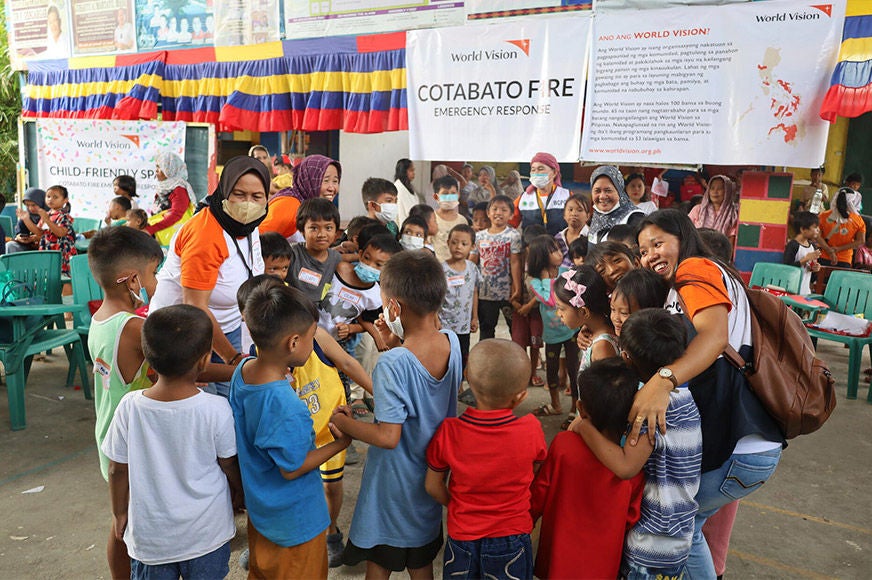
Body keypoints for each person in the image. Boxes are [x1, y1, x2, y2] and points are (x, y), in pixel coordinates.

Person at [632, 209, 783, 578]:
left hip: (743, 448)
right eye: (643, 250)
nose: (650, 255)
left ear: (683, 237)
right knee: (690, 522)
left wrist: (662, 380)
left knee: (686, 523)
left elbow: (714, 339)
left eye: (658, 243)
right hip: (751, 446)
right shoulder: (700, 278)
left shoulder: (695, 269)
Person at [331, 251, 462, 578]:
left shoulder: (392, 363)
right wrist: (396, 339)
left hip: (392, 485)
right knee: (421, 561)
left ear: (394, 308)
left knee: (380, 558)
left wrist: (344, 422)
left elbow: (388, 436)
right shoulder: (452, 343)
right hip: (431, 474)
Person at [102, 305, 243, 579]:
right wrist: (239, 493)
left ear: (149, 361)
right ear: (204, 361)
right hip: (207, 535)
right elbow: (229, 464)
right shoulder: (216, 408)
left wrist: (119, 512)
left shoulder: (129, 407)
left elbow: (116, 470)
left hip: (151, 541)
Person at [230, 283, 351, 579]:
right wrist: (341, 442)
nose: (314, 345)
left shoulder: (243, 372)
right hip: (296, 524)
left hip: (262, 513)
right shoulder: (286, 405)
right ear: (293, 343)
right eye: (312, 338)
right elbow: (293, 467)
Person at [572, 311, 702, 579]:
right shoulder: (684, 396)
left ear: (627, 357)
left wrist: (583, 426)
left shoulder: (650, 408)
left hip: (652, 540)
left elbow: (626, 466)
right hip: (678, 533)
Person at [149, 156, 270, 397]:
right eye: (239, 194)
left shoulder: (249, 226)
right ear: (224, 191)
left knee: (231, 401)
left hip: (227, 328)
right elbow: (196, 307)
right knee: (202, 411)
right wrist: (232, 357)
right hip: (184, 335)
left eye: (256, 197)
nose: (248, 204)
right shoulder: (205, 234)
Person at [425, 339, 545, 579]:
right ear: (520, 397)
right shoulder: (531, 429)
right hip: (512, 536)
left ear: (467, 377)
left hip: (463, 536)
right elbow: (535, 470)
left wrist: (458, 504)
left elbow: (432, 485)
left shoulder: (450, 431)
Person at [88, 226, 165, 579]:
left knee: (120, 521)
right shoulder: (134, 328)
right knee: (128, 526)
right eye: (152, 274)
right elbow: (179, 368)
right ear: (132, 279)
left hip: (109, 439)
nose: (154, 282)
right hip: (133, 449)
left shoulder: (99, 319)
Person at [531, 362, 644, 579]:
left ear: (581, 409)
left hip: (558, 560)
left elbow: (539, 494)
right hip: (603, 564)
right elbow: (632, 517)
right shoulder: (633, 463)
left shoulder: (564, 445)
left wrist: (525, 524)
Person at [527, 235, 580, 424]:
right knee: (551, 370)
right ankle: (556, 405)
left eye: (559, 249)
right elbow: (550, 301)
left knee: (574, 370)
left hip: (571, 330)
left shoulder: (566, 272)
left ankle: (574, 408)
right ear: (542, 257)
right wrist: (546, 279)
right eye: (554, 251)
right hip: (551, 335)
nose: (560, 253)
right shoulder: (534, 282)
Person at [553, 266, 618, 410]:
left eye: (561, 308)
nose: (558, 314)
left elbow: (606, 400)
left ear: (583, 312)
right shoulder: (593, 333)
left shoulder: (602, 346)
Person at [471, 195, 523, 340]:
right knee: (486, 331)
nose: (498, 213)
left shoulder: (513, 235)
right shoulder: (479, 236)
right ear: (488, 213)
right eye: (494, 209)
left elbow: (515, 262)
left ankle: (518, 360)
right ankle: (487, 361)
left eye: (504, 210)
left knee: (515, 330)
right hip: (484, 293)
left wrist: (517, 287)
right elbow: (472, 262)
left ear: (511, 215)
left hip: (507, 293)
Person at [260, 154, 341, 242]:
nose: (332, 188)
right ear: (308, 180)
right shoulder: (290, 204)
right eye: (325, 180)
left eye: (335, 181)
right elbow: (258, 240)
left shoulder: (311, 206)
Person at [439, 224, 480, 370]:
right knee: (445, 356)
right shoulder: (441, 269)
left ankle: (459, 384)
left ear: (472, 246)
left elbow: (474, 292)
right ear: (448, 243)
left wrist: (474, 317)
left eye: (464, 244)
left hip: (463, 325)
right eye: (454, 242)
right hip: (444, 325)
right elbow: (436, 297)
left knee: (463, 355)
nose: (458, 247)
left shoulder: (472, 268)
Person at [287, 198, 342, 305]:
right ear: (302, 230)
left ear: (336, 232)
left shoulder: (336, 259)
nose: (322, 234)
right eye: (314, 228)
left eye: (328, 228)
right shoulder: (292, 253)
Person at [19, 184, 77, 275]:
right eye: (48, 196)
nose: (50, 199)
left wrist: (47, 220)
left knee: (62, 278)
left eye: (55, 197)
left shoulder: (64, 215)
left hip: (61, 253)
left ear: (65, 200)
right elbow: (39, 232)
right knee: (48, 275)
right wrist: (26, 220)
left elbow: (61, 233)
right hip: (48, 250)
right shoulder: (47, 214)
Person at [144, 152, 197, 245]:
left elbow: (176, 214)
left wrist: (151, 229)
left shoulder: (179, 189)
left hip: (171, 238)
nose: (156, 170)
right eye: (156, 167)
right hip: (160, 235)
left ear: (170, 169)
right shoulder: (162, 188)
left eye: (160, 167)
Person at [513, 152, 569, 235]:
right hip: (531, 247)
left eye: (540, 169)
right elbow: (508, 224)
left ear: (554, 173)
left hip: (559, 247)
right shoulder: (523, 198)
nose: (536, 173)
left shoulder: (567, 196)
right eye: (533, 170)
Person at [588, 165, 646, 244]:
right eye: (597, 191)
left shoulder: (634, 217)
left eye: (608, 190)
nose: (602, 196)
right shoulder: (596, 218)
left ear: (620, 191)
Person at [816, 187, 866, 267]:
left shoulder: (823, 216)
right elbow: (860, 241)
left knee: (820, 279)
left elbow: (817, 236)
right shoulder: (858, 220)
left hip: (822, 257)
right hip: (844, 260)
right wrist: (838, 249)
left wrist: (829, 250)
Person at [688, 175, 739, 245]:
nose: (715, 192)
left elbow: (731, 240)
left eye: (720, 188)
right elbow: (686, 230)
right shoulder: (698, 209)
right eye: (712, 188)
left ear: (728, 191)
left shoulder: (734, 214)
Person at [432, 175, 470, 262]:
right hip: (437, 269)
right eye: (445, 194)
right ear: (436, 197)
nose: (449, 197)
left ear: (458, 195)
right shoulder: (431, 218)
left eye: (453, 193)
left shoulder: (462, 221)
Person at [783, 211, 822, 295]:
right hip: (790, 292)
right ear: (803, 229)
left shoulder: (813, 247)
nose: (818, 230)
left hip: (805, 291)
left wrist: (815, 269)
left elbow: (811, 276)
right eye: (815, 227)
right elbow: (786, 269)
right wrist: (805, 259)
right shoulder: (793, 245)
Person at [555, 193, 591, 267]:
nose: (574, 213)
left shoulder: (593, 238)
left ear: (588, 216)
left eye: (579, 210)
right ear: (564, 215)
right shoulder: (557, 239)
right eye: (570, 210)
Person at [6, 188, 45, 254]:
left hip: (47, 248)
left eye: (33, 205)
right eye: (27, 205)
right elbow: (19, 233)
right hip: (29, 247)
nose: (30, 208)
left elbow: (51, 236)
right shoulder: (26, 216)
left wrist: (34, 238)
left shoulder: (50, 215)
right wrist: (19, 238)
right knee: (10, 246)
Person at [395, 158, 420, 225]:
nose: (414, 173)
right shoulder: (398, 188)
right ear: (403, 171)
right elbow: (405, 211)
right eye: (411, 170)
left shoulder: (409, 187)